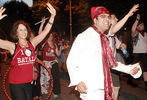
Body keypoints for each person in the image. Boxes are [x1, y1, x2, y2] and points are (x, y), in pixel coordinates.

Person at [66, 6, 142, 100]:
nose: (107, 19)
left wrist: (129, 69)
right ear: (95, 20)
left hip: (101, 86)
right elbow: (71, 60)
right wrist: (77, 81)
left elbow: (110, 62)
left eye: (108, 17)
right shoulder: (84, 36)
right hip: (89, 87)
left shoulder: (104, 38)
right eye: (102, 16)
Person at [0, 2, 56, 100]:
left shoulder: (32, 44)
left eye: (25, 29)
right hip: (16, 84)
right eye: (20, 30)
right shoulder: (13, 46)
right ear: (16, 32)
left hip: (29, 82)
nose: (23, 32)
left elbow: (46, 31)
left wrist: (52, 16)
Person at [131, 14, 147, 90]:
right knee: (134, 67)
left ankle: (146, 83)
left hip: (144, 54)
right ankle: (130, 79)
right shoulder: (136, 34)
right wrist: (137, 20)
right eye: (140, 25)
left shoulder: (146, 34)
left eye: (143, 24)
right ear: (137, 27)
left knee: (145, 69)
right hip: (137, 53)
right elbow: (133, 30)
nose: (142, 25)